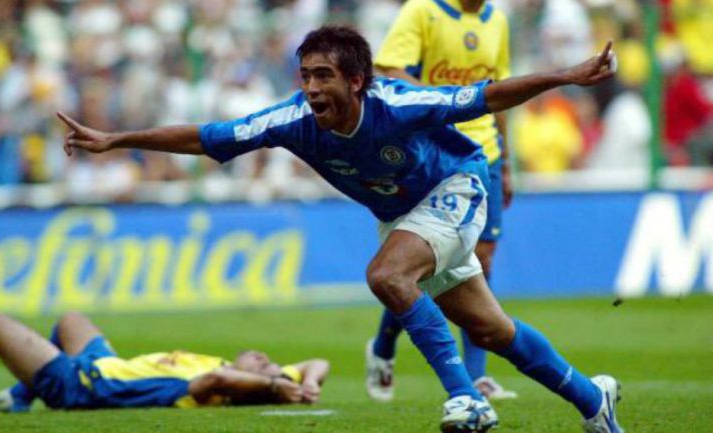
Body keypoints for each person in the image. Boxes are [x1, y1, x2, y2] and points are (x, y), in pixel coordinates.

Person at [55, 25, 622, 433]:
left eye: (324, 76)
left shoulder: (398, 103)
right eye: (305, 76)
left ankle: (467, 401)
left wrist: (569, 76)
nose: (311, 88)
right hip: (404, 215)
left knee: (387, 274)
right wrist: (115, 140)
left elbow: (488, 95)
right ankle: (590, 397)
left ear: (357, 81)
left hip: (457, 186)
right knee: (493, 331)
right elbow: (205, 137)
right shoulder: (292, 120)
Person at [367, 0, 516, 402]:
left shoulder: (497, 21)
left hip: (485, 153)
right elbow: (391, 70)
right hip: (437, 149)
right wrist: (444, 101)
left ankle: (478, 376)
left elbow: (498, 92)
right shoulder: (422, 11)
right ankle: (382, 345)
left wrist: (507, 164)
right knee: (422, 267)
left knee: (481, 263)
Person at [0, 311, 329, 412]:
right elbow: (318, 362)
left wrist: (274, 385)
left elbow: (217, 382)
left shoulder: (213, 389)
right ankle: (19, 399)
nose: (265, 358)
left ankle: (22, 396)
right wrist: (304, 381)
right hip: (106, 363)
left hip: (81, 383)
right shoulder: (243, 375)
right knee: (71, 321)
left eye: (264, 366)